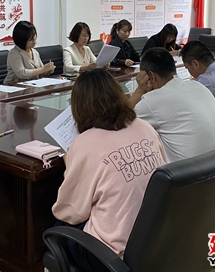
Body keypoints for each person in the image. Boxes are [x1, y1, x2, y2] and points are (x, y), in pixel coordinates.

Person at [52, 69, 167, 272]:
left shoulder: (85, 142)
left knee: (56, 228)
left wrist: (72, 166)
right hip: (152, 241)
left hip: (110, 255)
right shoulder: (145, 127)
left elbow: (71, 212)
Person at [128, 47, 215, 162]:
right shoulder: (198, 86)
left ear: (151, 76)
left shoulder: (152, 101)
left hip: (192, 172)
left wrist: (140, 90)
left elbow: (119, 121)